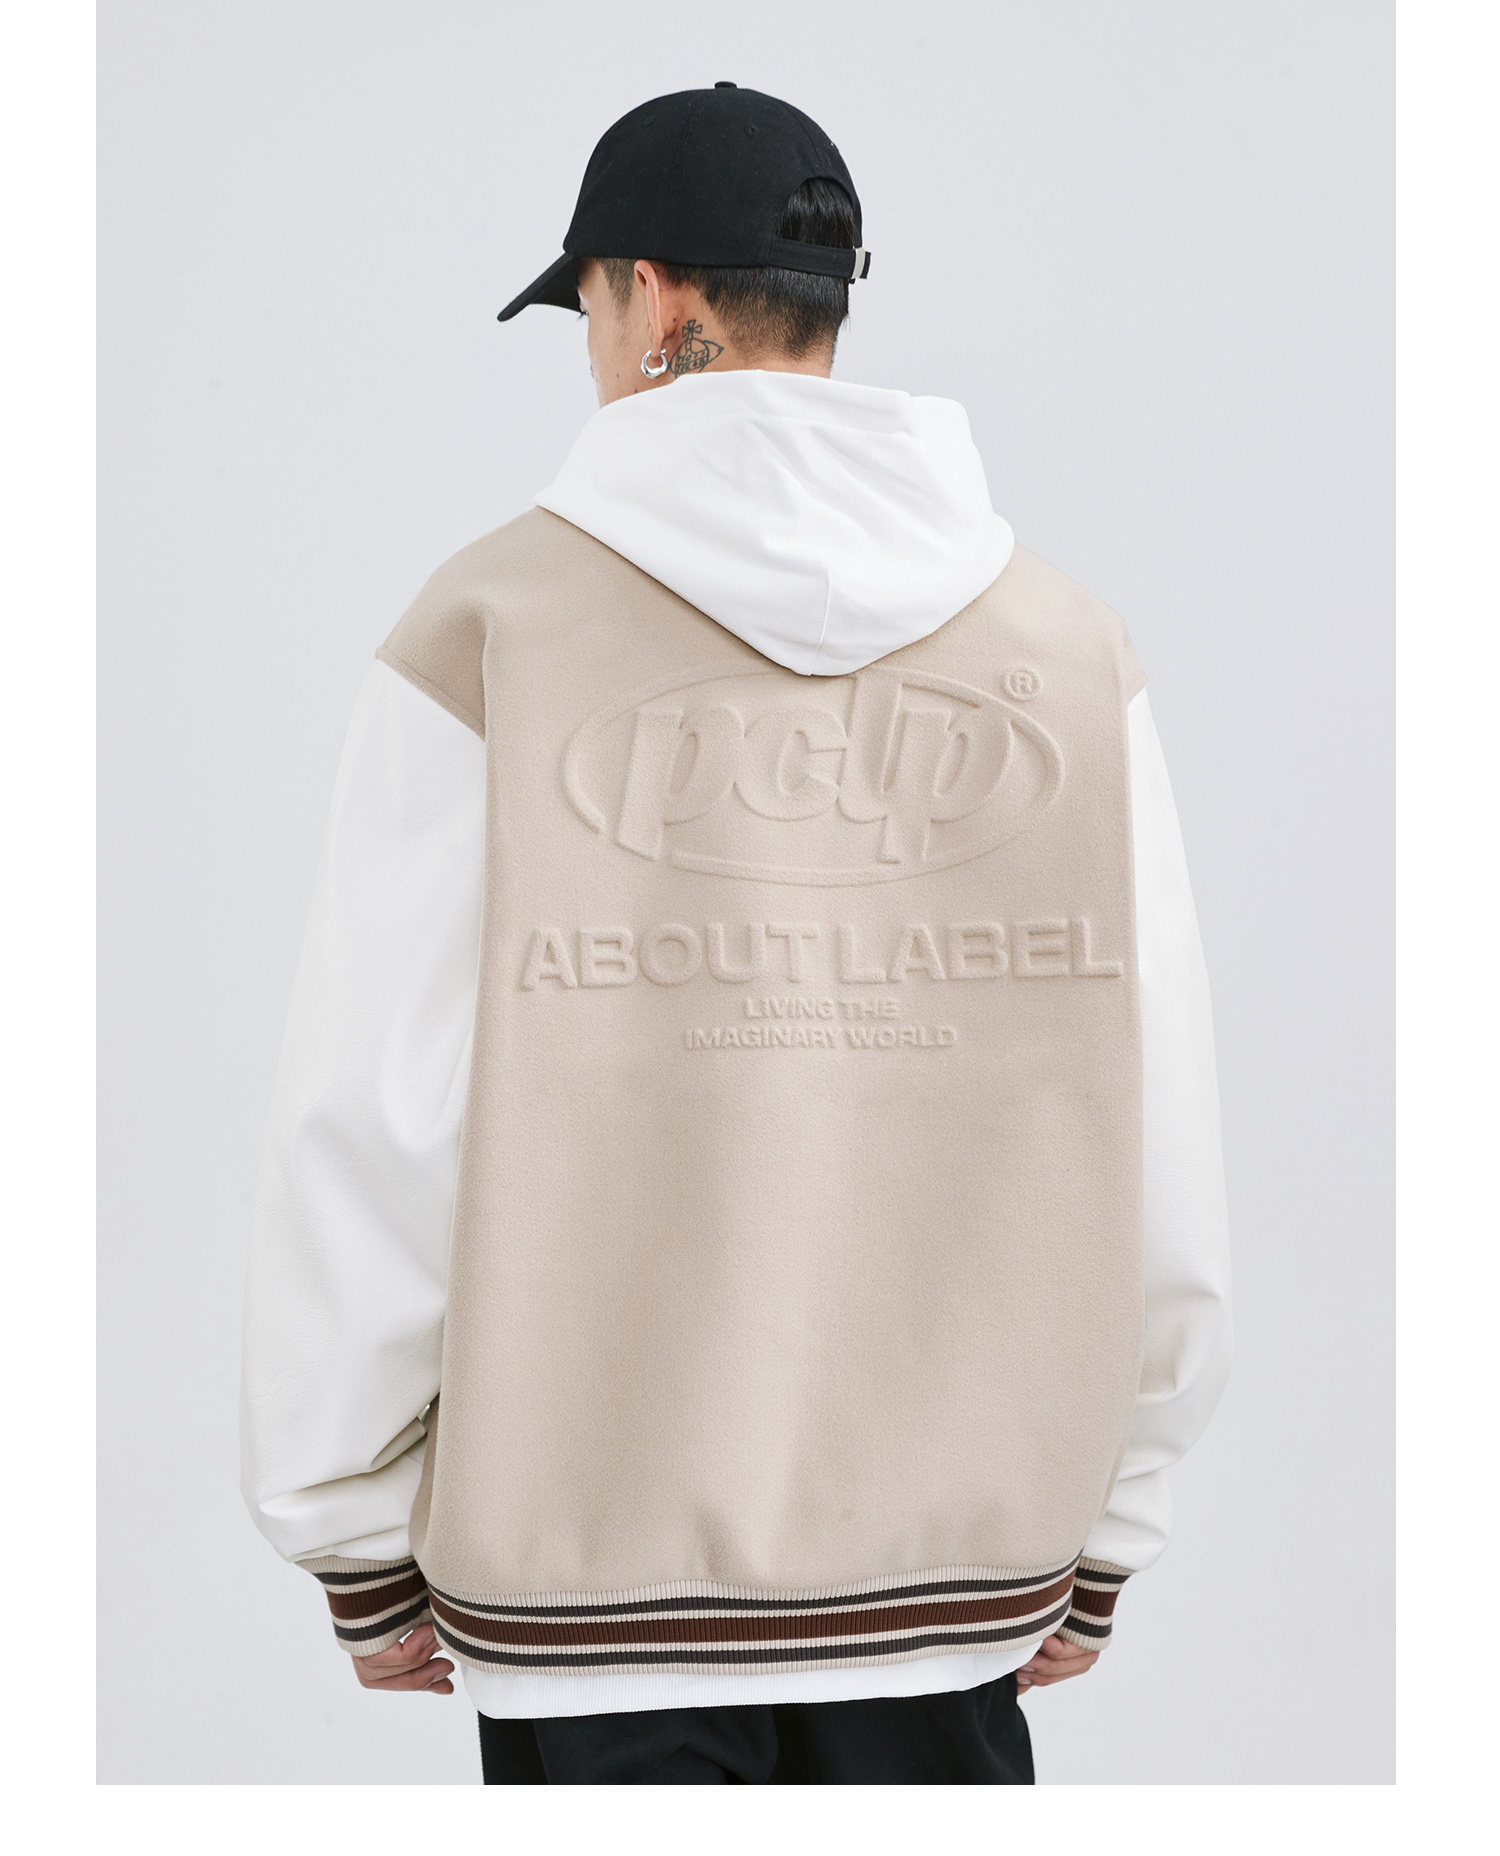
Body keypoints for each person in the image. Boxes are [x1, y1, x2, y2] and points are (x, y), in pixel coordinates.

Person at [240, 82, 1232, 1787]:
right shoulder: (1067, 650)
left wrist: (350, 1529)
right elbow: (1161, 1120)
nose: (590, 350)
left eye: (584, 309)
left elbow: (377, 1120)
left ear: (653, 299)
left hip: (591, 1598)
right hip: (955, 1583)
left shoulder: (489, 628)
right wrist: (1115, 1518)